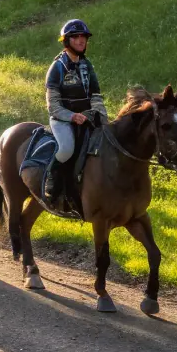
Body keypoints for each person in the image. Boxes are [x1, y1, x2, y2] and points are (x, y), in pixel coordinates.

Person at [44, 18, 107, 209]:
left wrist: (101, 117)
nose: (81, 41)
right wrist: (72, 116)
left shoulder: (87, 66)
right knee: (66, 149)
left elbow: (96, 95)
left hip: (86, 117)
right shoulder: (56, 68)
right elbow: (52, 106)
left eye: (84, 37)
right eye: (76, 37)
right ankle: (51, 183)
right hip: (63, 120)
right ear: (66, 41)